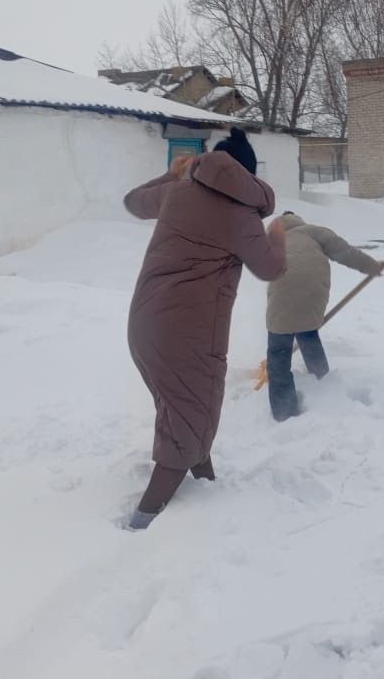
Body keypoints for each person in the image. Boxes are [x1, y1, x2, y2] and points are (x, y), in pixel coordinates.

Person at [122, 128, 287, 531]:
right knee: (188, 420)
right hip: (190, 334)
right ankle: (141, 522)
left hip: (144, 325)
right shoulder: (242, 215)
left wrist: (171, 174)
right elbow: (271, 268)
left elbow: (132, 202)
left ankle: (206, 485)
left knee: (186, 411)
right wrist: (278, 236)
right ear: (248, 174)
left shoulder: (177, 192)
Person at [265, 212, 384, 421]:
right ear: (298, 221)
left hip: (281, 295)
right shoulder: (313, 232)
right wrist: (372, 266)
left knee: (278, 352)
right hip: (314, 295)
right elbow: (345, 252)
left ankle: (284, 412)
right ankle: (322, 379)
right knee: (307, 330)